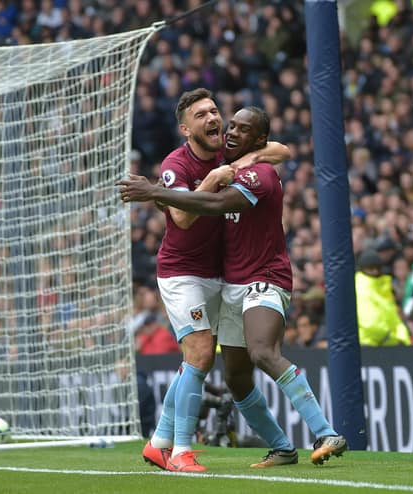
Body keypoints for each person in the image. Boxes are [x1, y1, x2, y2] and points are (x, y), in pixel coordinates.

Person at [119, 106, 347, 466]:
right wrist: (160, 189)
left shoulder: (259, 176)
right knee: (236, 378)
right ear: (184, 128)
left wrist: (153, 193)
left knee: (257, 352)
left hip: (264, 277)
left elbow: (218, 199)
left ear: (257, 139)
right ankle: (283, 448)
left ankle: (327, 432)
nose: (229, 131)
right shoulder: (191, 163)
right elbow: (184, 215)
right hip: (223, 282)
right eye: (230, 126)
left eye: (242, 129)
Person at [136, 88, 293, 473]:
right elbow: (183, 219)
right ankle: (182, 451)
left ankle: (159, 442)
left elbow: (282, 151)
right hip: (182, 271)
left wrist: (240, 163)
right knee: (202, 353)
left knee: (198, 360)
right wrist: (213, 178)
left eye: (213, 111)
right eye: (201, 115)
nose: (213, 119)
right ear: (185, 128)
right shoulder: (176, 163)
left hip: (221, 273)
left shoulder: (228, 152)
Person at [355, 248, 411, 346]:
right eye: (370, 268)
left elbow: (395, 318)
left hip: (389, 345)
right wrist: (393, 339)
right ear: (362, 269)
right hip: (369, 345)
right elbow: (369, 322)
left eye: (378, 268)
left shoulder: (384, 288)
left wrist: (401, 338)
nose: (375, 272)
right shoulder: (360, 287)